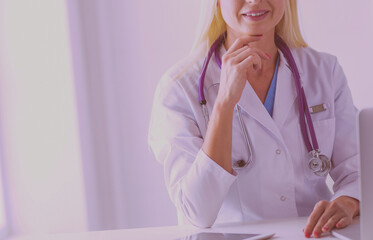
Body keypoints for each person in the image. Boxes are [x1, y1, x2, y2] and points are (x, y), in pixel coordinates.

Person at [148, 0, 360, 238]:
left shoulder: (324, 71)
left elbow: (357, 172)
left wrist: (348, 201)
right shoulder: (179, 88)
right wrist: (224, 104)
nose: (255, 0)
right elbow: (196, 212)